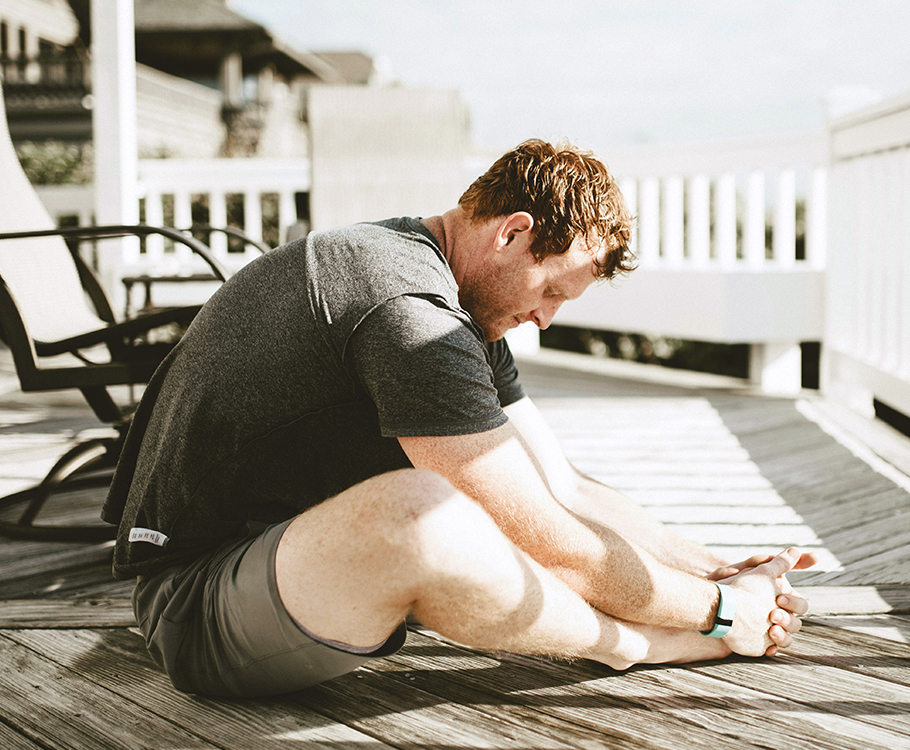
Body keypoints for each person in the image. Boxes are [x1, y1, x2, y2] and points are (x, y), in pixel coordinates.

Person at [102, 139, 816, 698]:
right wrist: (719, 612)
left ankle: (664, 627)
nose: (546, 318)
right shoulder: (408, 310)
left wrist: (721, 568)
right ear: (513, 233)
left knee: (479, 504)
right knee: (426, 514)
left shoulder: (457, 302)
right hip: (197, 603)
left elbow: (562, 487)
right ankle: (633, 647)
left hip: (298, 564)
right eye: (552, 291)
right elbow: (547, 538)